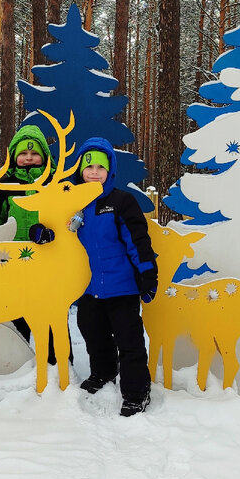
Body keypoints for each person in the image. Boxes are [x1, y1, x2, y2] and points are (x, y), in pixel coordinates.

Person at [70, 138, 158, 417]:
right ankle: (104, 372)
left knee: (129, 340)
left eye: (101, 166)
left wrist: (147, 273)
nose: (94, 172)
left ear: (110, 170)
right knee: (93, 334)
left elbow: (138, 241)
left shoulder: (121, 201)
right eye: (89, 166)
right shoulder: (73, 203)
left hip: (122, 287)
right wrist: (41, 233)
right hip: (89, 288)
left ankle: (136, 392)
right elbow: (56, 232)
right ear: (80, 170)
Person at [0, 124, 67, 365]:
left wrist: (53, 234)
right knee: (17, 313)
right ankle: (25, 361)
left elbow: (67, 220)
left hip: (47, 260)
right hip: (14, 263)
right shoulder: (6, 186)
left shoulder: (54, 185)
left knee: (51, 314)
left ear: (44, 156)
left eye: (34, 153)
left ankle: (58, 361)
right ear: (14, 156)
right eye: (23, 153)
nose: (29, 158)